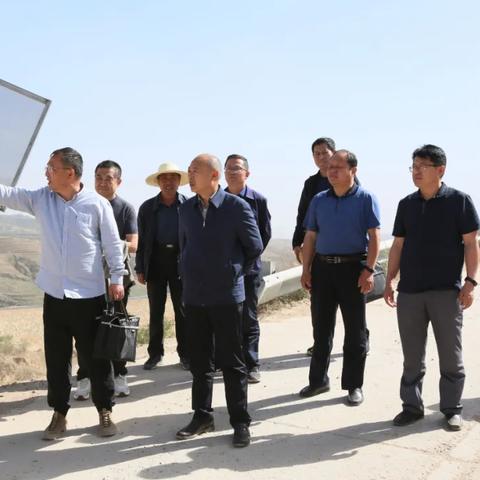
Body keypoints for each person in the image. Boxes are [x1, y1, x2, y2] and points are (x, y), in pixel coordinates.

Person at [0, 147, 125, 440]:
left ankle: (105, 410)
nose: (46, 173)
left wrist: (117, 278)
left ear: (69, 173)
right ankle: (59, 413)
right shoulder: (40, 199)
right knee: (56, 359)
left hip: (90, 296)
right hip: (55, 295)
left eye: (51, 168)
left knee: (96, 359)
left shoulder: (97, 204)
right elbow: (7, 194)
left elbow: (112, 244)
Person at [384, 144, 479, 431]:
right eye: (413, 166)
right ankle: (411, 407)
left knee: (450, 355)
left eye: (421, 166)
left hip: (446, 292)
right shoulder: (406, 204)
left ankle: (451, 408)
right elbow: (398, 245)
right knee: (412, 356)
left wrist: (470, 282)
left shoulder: (459, 201)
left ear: (440, 170)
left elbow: (471, 244)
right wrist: (389, 280)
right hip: (410, 292)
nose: (415, 171)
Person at [176, 153, 263, 448]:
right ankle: (202, 416)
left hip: (226, 297)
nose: (190, 176)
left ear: (213, 176)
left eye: (195, 171)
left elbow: (254, 247)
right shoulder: (186, 209)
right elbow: (185, 247)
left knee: (232, 362)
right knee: (200, 362)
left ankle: (240, 422)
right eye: (189, 170)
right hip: (195, 297)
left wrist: (232, 273)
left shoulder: (236, 207)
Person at [299, 149, 380, 406]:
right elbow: (310, 236)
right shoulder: (319, 200)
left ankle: (354, 385)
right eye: (330, 167)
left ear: (353, 170)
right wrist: (306, 269)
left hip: (353, 269)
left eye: (338, 167)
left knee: (355, 330)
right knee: (321, 329)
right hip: (323, 269)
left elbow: (374, 237)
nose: (331, 171)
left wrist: (368, 270)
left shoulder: (366, 198)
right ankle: (318, 381)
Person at [73, 160, 138, 400]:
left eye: (108, 178)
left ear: (118, 181)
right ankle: (85, 377)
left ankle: (119, 374)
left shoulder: (125, 208)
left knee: (116, 327)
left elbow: (134, 244)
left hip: (116, 278)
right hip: (87, 278)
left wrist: (109, 245)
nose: (102, 182)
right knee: (84, 329)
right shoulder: (83, 204)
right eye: (98, 177)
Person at [135, 162, 189, 370]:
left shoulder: (189, 205)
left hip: (181, 262)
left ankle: (186, 354)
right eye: (164, 178)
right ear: (158, 182)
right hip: (155, 261)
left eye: (173, 178)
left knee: (182, 311)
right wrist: (140, 268)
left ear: (179, 181)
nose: (168, 182)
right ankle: (155, 354)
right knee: (155, 311)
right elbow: (141, 241)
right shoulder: (147, 208)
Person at [224, 154, 271, 384]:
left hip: (249, 269)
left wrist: (248, 258)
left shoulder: (257, 200)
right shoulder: (217, 199)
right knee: (224, 318)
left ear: (247, 173)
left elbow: (264, 234)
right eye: (228, 169)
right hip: (222, 270)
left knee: (248, 318)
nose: (232, 173)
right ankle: (228, 361)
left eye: (237, 169)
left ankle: (252, 364)